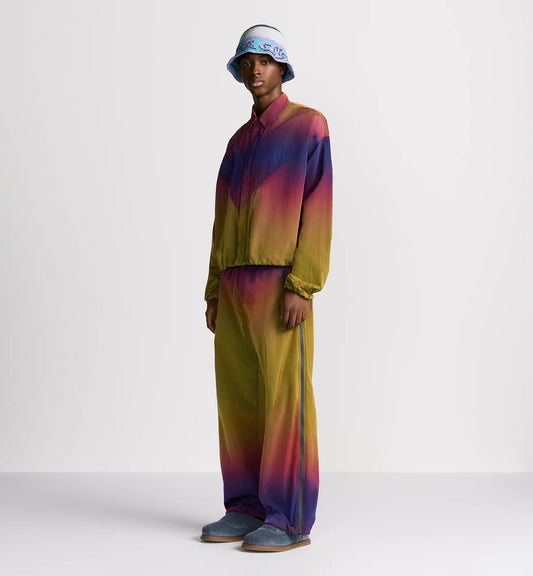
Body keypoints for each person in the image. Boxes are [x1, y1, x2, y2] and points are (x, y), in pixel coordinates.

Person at [201, 24, 332, 552]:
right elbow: (220, 220)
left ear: (282, 68)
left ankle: (289, 519)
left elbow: (318, 206)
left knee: (285, 401)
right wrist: (214, 289)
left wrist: (304, 283)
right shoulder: (238, 142)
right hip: (233, 285)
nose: (255, 69)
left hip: (281, 284)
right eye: (247, 61)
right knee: (237, 401)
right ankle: (245, 507)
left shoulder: (309, 126)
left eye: (265, 60)